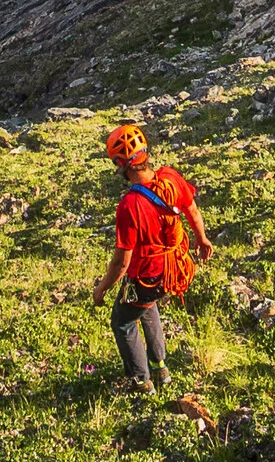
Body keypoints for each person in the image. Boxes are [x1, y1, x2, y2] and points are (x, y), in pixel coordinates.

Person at [89, 124, 213, 392]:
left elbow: (122, 262)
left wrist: (102, 289)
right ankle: (160, 367)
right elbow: (190, 206)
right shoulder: (169, 178)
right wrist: (201, 238)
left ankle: (140, 381)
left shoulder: (129, 205)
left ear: (123, 164)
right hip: (173, 269)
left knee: (122, 321)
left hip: (146, 276)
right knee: (147, 307)